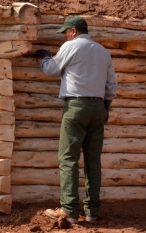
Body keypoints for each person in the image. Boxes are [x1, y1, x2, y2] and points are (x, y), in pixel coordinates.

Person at [37, 15, 117, 224]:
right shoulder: (103, 52)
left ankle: (69, 210)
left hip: (75, 107)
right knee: (93, 159)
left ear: (73, 31)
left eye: (66, 32)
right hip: (98, 107)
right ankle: (92, 211)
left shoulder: (70, 46)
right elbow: (111, 85)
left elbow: (51, 70)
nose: (65, 35)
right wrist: (105, 107)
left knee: (68, 158)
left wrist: (44, 57)